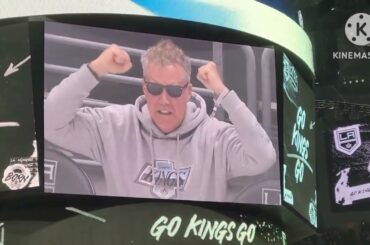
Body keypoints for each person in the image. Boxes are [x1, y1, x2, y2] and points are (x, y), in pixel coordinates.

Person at [44, 39, 276, 201]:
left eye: (174, 91)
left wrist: (223, 93)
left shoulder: (215, 137)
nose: (164, 100)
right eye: (155, 88)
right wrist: (95, 69)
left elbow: (264, 157)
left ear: (188, 92)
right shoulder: (114, 126)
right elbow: (50, 122)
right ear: (144, 88)